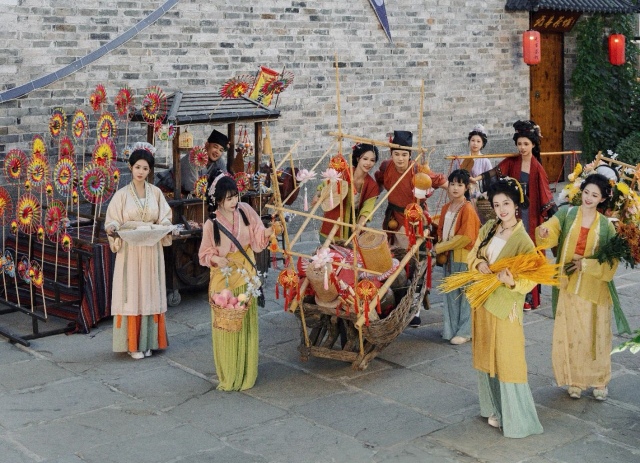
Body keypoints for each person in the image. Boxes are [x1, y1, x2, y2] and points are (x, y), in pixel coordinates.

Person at [467, 177, 543, 438]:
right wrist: (478, 264)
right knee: (487, 353)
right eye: (497, 204)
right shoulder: (489, 227)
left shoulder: (524, 241)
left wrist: (512, 283)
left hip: (505, 307)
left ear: (516, 204)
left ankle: (517, 418)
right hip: (483, 300)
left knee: (508, 359)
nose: (501, 209)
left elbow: (533, 276)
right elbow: (473, 253)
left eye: (506, 203)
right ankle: (494, 408)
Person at [536, 174, 618, 401]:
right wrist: (544, 231)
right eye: (586, 192)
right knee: (571, 333)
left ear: (602, 199)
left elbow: (611, 262)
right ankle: (575, 380)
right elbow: (552, 225)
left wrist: (586, 264)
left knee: (596, 334)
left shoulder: (606, 226)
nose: (589, 198)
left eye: (595, 195)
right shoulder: (568, 214)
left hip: (594, 287)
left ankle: (600, 381)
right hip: (568, 283)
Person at [198, 172, 280, 391]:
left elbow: (258, 236)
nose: (234, 201)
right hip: (223, 278)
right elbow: (204, 254)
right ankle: (229, 373)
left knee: (244, 323)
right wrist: (217, 259)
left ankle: (246, 372)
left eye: (235, 196)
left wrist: (270, 231)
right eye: (228, 198)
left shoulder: (245, 211)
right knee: (226, 326)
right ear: (218, 200)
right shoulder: (211, 223)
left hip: (246, 273)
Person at [475, 120, 557, 310]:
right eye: (519, 144)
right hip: (512, 213)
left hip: (530, 214)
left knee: (527, 252)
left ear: (533, 144)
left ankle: (530, 296)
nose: (522, 147)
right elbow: (495, 173)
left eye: (526, 144)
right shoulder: (512, 161)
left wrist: (553, 216)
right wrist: (475, 179)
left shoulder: (537, 167)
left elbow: (545, 193)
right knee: (510, 249)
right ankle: (508, 288)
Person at [105, 148, 173, 360]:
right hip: (130, 250)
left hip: (151, 247)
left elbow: (165, 217)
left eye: (145, 168)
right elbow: (113, 219)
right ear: (130, 168)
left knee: (150, 291)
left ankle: (150, 341)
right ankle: (132, 344)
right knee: (132, 292)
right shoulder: (121, 195)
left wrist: (165, 225)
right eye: (137, 167)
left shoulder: (156, 193)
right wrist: (112, 227)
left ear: (150, 170)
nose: (141, 172)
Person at [375, 130, 447, 327]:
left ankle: (415, 309)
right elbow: (378, 181)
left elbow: (439, 180)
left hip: (416, 222)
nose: (400, 158)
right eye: (396, 154)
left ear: (410, 155)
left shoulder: (418, 170)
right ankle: (398, 303)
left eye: (404, 154)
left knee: (418, 265)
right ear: (391, 154)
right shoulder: (386, 167)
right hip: (394, 223)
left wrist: (459, 191)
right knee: (396, 263)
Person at [434, 169, 480, 345]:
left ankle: (465, 331)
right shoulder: (446, 207)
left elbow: (466, 238)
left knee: (465, 295)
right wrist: (440, 244)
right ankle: (451, 329)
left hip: (464, 256)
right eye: (452, 184)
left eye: (460, 185)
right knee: (451, 294)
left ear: (466, 187)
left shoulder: (467, 208)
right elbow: (441, 230)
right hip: (448, 256)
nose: (455, 188)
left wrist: (441, 247)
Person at [315, 143, 380, 241]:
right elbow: (325, 185)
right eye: (365, 159)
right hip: (334, 219)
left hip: (354, 225)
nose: (368, 163)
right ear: (358, 159)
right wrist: (317, 195)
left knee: (351, 249)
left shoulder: (372, 185)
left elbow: (367, 209)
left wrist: (359, 226)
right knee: (328, 248)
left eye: (372, 160)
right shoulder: (343, 173)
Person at [156, 129, 231, 194]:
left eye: (221, 150)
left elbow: (225, 181)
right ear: (207, 145)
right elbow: (193, 188)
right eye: (215, 147)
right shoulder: (194, 157)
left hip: (190, 194)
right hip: (166, 188)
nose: (217, 152)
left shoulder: (219, 161)